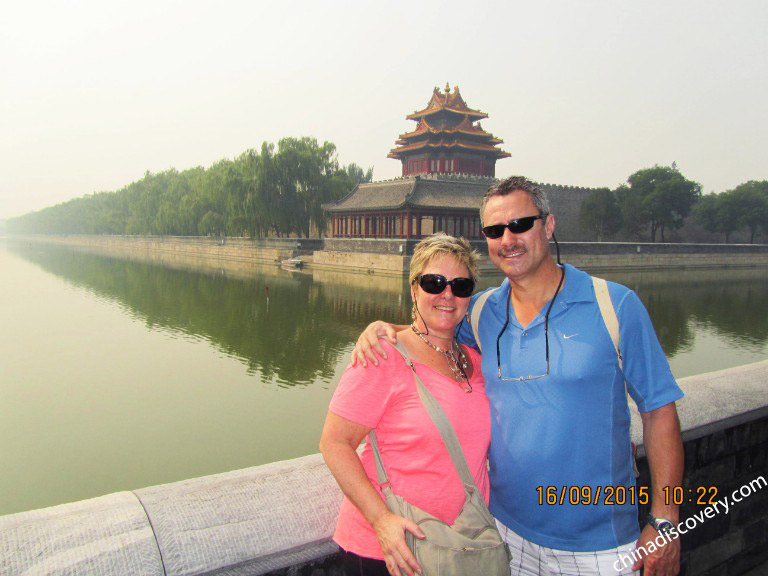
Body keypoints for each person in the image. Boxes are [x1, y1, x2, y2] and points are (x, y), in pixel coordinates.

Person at [352, 176, 684, 576]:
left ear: (548, 225)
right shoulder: (481, 313)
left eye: (520, 224)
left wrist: (664, 518)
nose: (508, 238)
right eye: (495, 230)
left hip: (600, 544)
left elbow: (659, 411)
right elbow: (433, 319)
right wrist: (380, 327)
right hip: (506, 535)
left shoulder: (613, 305)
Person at [320, 233, 492, 576]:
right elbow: (334, 443)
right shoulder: (382, 355)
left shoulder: (476, 361)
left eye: (460, 285)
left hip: (462, 544)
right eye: (434, 282)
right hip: (390, 550)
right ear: (414, 290)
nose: (447, 294)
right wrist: (381, 520)